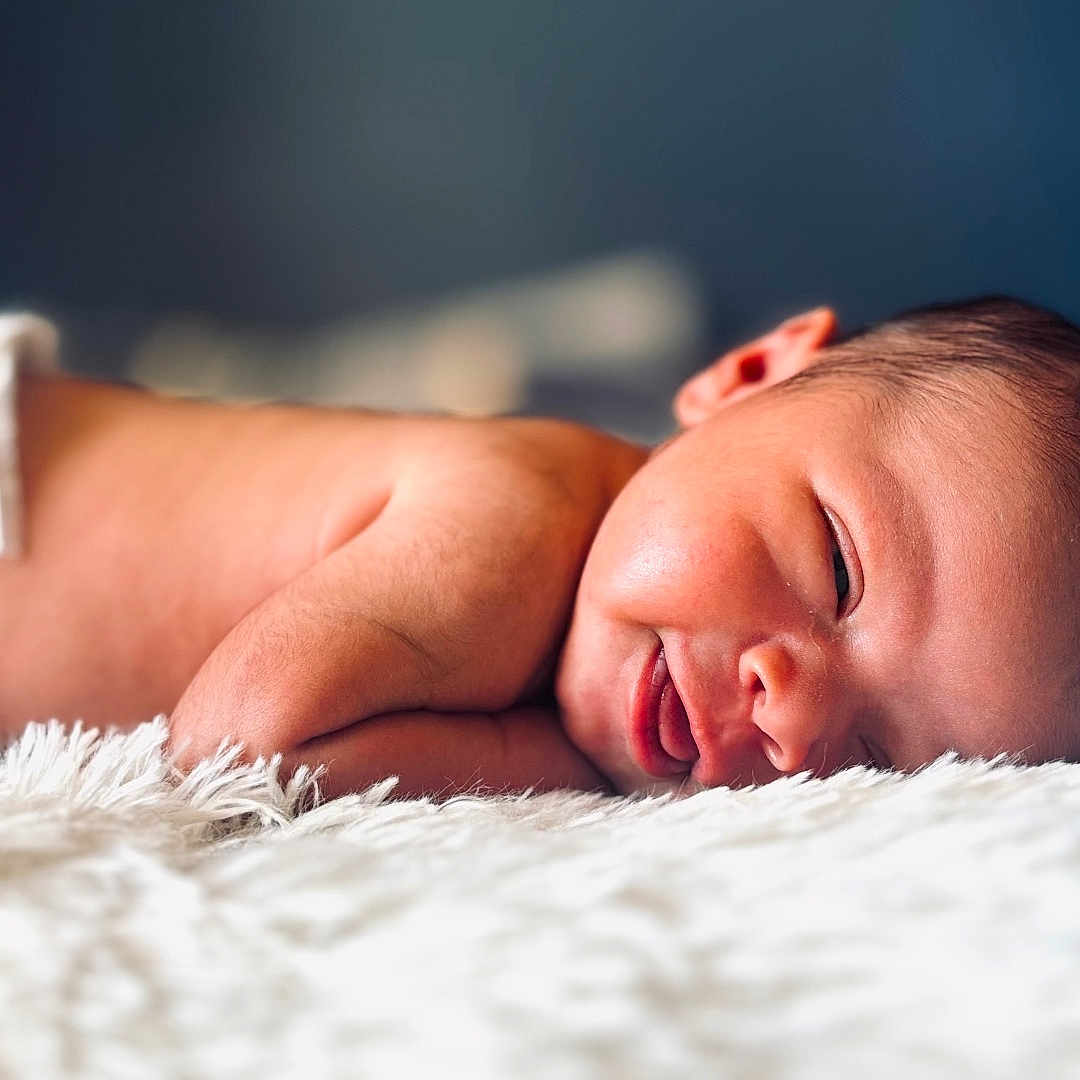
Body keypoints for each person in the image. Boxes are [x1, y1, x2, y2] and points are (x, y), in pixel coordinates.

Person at [0, 296, 1076, 801]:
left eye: (872, 756)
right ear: (748, 375)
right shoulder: (516, 513)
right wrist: (563, 775)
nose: (789, 716)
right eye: (838, 569)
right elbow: (238, 750)